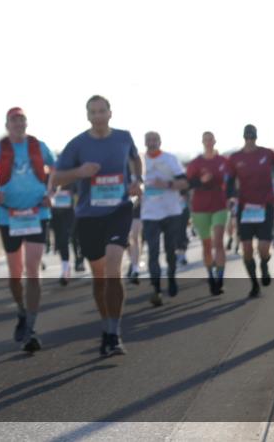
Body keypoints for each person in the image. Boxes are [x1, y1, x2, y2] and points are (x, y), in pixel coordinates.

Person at [51, 95, 142, 357]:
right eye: (94, 112)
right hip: (89, 215)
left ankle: (114, 333)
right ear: (88, 116)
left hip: (119, 209)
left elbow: (136, 160)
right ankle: (106, 325)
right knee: (99, 275)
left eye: (103, 111)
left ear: (110, 113)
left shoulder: (124, 138)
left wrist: (138, 180)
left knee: (114, 265)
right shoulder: (77, 144)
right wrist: (79, 173)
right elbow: (56, 177)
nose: (99, 116)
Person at [0, 107, 55, 353]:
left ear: (27, 123)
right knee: (15, 273)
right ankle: (21, 309)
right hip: (9, 215)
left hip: (38, 212)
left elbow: (55, 169)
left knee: (33, 270)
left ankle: (31, 327)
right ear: (7, 125)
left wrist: (51, 193)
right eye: (13, 121)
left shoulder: (39, 146)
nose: (18, 124)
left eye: (22, 120)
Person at [227, 125, 274, 298]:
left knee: (264, 248)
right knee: (246, 249)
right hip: (245, 208)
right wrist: (230, 196)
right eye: (247, 138)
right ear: (244, 138)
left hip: (265, 205)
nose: (250, 141)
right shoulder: (235, 158)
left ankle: (264, 266)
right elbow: (230, 180)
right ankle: (254, 284)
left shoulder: (267, 154)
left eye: (252, 138)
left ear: (256, 138)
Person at [139, 132, 189, 306]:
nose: (151, 143)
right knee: (152, 251)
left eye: (155, 140)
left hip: (171, 211)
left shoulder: (170, 159)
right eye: (149, 141)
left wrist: (166, 184)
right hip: (149, 213)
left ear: (160, 142)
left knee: (170, 250)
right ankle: (156, 289)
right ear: (145, 143)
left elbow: (184, 183)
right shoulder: (140, 161)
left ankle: (172, 278)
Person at [185, 132, 232, 295]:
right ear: (202, 142)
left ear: (215, 141)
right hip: (200, 207)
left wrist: (233, 195)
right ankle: (211, 276)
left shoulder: (224, 161)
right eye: (205, 140)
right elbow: (187, 183)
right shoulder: (196, 163)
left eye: (211, 139)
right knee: (206, 245)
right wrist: (201, 181)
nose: (208, 142)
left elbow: (232, 180)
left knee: (218, 241)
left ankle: (220, 278)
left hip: (219, 205)